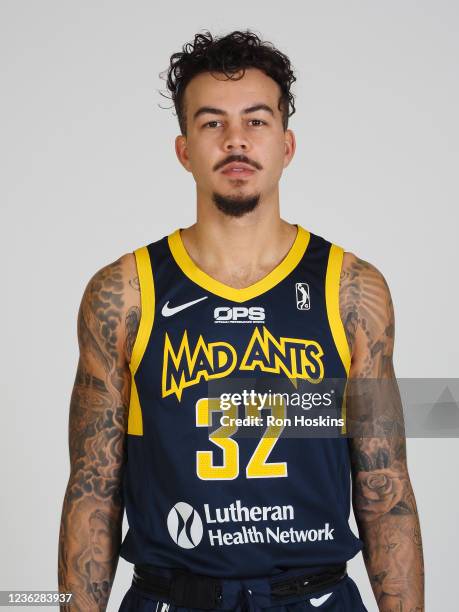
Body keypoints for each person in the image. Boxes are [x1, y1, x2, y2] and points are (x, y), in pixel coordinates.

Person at [58, 30, 424, 612]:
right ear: (184, 150)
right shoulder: (125, 292)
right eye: (211, 123)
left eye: (256, 121)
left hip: (316, 596)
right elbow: (93, 487)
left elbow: (387, 487)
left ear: (287, 144)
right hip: (173, 596)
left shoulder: (351, 290)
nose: (235, 140)